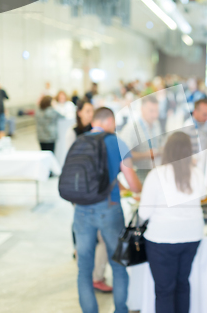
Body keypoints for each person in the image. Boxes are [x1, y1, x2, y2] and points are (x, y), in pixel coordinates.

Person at [73, 107, 142, 313]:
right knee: (119, 267)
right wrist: (136, 189)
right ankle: (120, 310)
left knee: (84, 270)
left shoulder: (79, 141)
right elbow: (133, 183)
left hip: (82, 210)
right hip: (110, 209)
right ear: (110, 122)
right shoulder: (116, 142)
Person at [139, 132, 205, 313]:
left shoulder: (156, 175)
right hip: (192, 236)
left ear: (167, 150)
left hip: (162, 239)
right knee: (182, 284)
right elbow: (202, 198)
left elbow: (144, 213)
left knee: (164, 290)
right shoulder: (197, 173)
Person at [64, 100, 111, 292]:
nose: (90, 114)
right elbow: (69, 161)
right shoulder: (73, 133)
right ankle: (90, 272)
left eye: (93, 111)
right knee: (85, 226)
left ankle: (92, 272)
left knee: (95, 232)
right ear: (80, 113)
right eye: (87, 111)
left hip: (97, 190)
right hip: (79, 187)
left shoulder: (100, 135)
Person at [120, 96, 163, 182]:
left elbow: (159, 143)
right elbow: (124, 155)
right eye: (151, 111)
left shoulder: (157, 124)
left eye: (156, 111)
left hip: (156, 172)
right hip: (139, 174)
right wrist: (146, 155)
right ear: (142, 109)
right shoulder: (131, 128)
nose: (155, 115)